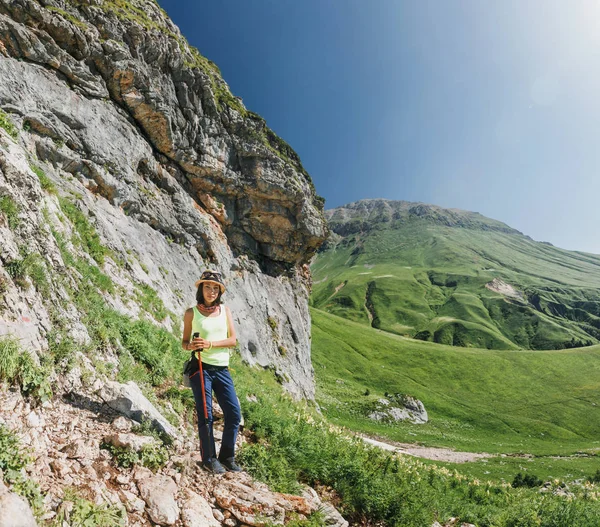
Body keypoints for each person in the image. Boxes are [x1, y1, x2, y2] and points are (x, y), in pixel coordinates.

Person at [182, 270, 242, 474]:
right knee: (206, 415)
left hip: (222, 369)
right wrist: (191, 346)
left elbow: (233, 340)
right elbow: (184, 342)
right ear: (201, 289)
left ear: (219, 292)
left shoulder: (225, 311)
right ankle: (209, 459)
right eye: (207, 286)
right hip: (201, 369)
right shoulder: (191, 313)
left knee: (234, 414)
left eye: (215, 288)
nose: (211, 291)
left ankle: (227, 457)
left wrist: (209, 344)